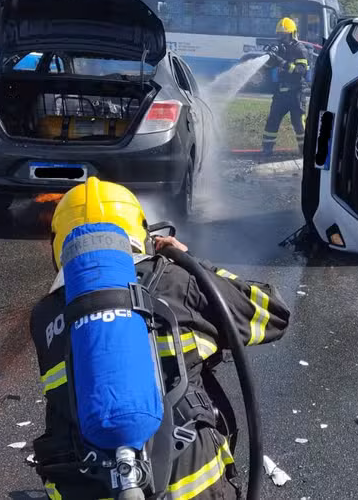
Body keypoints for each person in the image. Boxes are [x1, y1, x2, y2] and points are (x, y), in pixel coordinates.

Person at [29, 177, 292, 500]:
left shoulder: (45, 317)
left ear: (59, 244)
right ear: (141, 233)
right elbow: (273, 315)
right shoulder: (179, 282)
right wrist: (192, 263)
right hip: (192, 489)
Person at [261, 17, 310, 157]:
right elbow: (268, 67)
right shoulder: (280, 49)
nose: (281, 38)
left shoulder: (299, 49)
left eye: (284, 35)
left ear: (292, 34)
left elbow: (301, 70)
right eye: (279, 35)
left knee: (299, 124)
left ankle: (304, 152)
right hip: (280, 93)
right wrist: (270, 58)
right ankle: (266, 150)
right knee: (272, 121)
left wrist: (282, 62)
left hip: (296, 93)